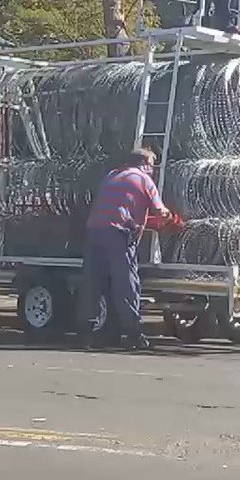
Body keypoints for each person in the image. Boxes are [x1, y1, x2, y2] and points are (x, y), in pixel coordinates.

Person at [80, 149, 171, 350]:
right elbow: (159, 210)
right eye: (152, 164)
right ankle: (133, 334)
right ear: (145, 163)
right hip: (117, 235)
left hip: (95, 232)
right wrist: (169, 217)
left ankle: (87, 334)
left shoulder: (111, 175)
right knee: (126, 285)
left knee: (93, 284)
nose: (153, 169)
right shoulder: (143, 179)